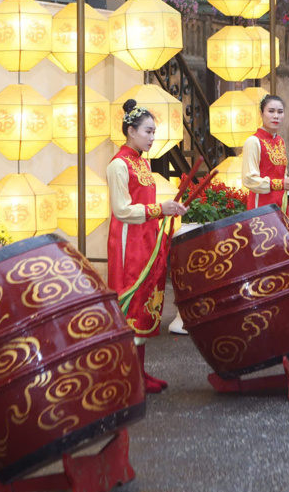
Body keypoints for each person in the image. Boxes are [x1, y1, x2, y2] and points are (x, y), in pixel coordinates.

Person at [106, 100, 187, 394]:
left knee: (145, 301)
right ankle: (128, 376)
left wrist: (167, 210)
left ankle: (138, 372)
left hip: (147, 238)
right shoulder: (118, 164)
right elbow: (122, 210)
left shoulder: (142, 161)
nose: (152, 138)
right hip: (129, 242)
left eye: (154, 132)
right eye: (148, 132)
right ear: (131, 131)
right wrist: (159, 209)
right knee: (132, 300)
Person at [242, 94, 289, 213]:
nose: (276, 116)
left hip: (280, 205)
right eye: (271, 111)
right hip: (261, 207)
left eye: (280, 112)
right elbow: (249, 179)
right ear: (261, 114)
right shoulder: (253, 142)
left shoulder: (280, 141)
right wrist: (282, 183)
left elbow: (281, 176)